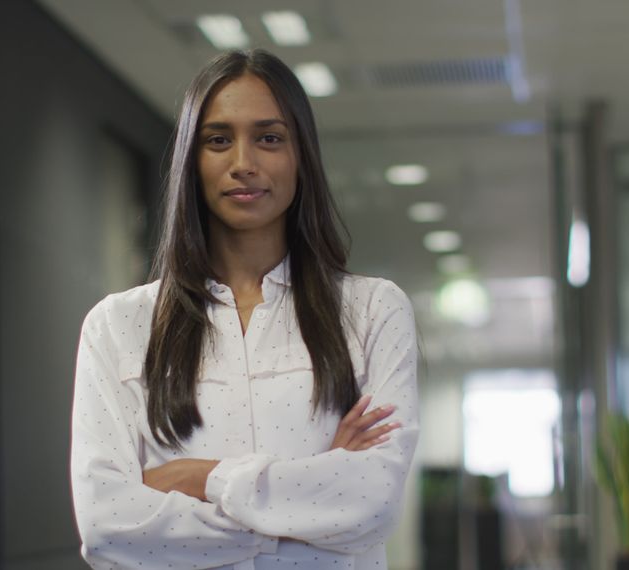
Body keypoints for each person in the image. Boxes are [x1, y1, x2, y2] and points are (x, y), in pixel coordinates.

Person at [70, 49, 419, 569]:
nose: (243, 163)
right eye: (217, 140)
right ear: (192, 159)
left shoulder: (372, 310)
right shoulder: (118, 326)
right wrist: (310, 501)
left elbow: (373, 501)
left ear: (302, 155)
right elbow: (107, 525)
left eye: (269, 138)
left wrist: (199, 477)